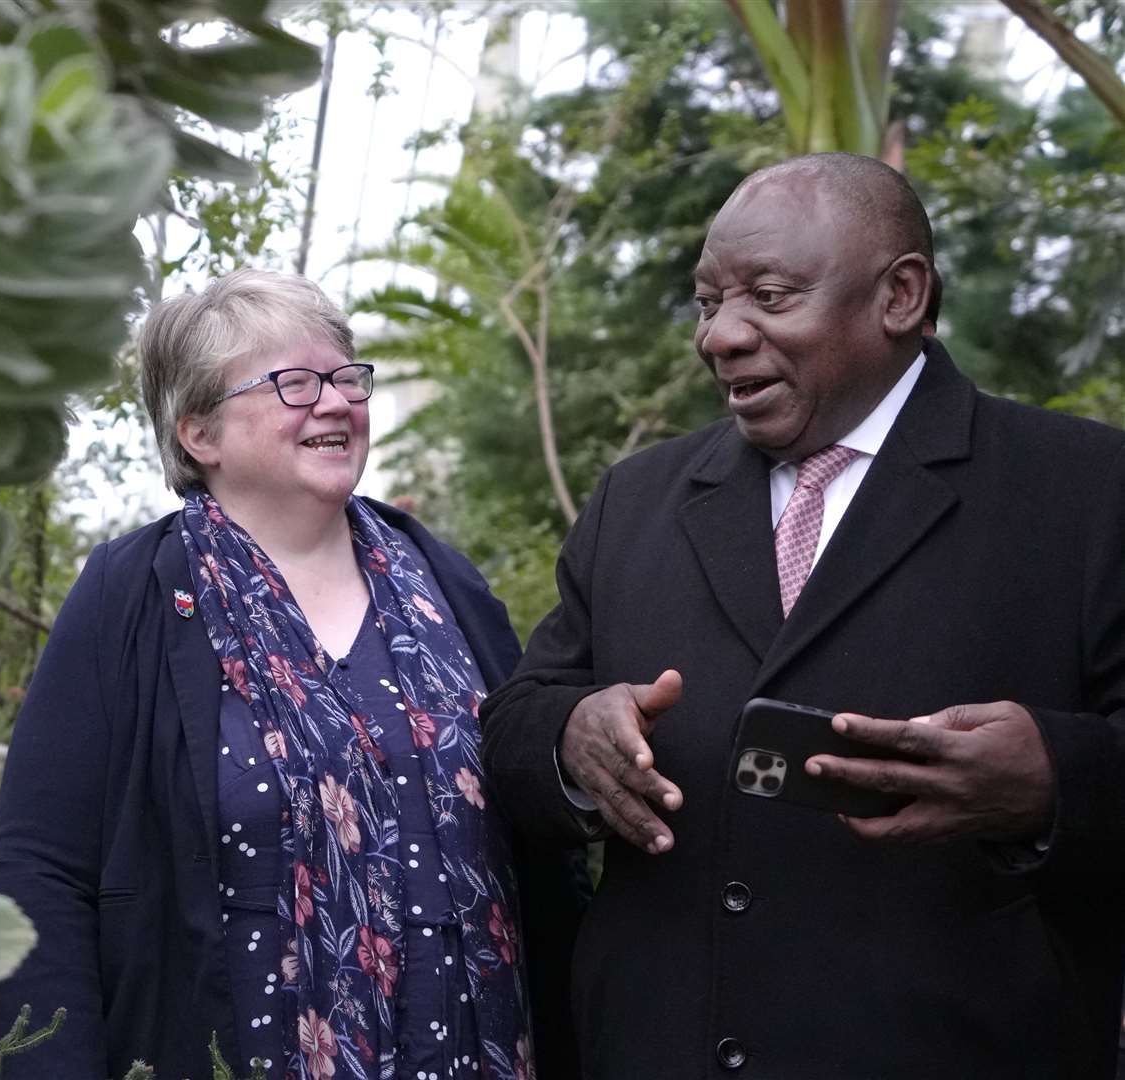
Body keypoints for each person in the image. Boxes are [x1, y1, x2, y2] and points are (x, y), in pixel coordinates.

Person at [480, 153, 1125, 1079]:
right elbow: (518, 714)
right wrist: (570, 741)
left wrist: (1056, 782)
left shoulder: (1087, 490)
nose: (721, 337)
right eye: (708, 305)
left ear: (899, 295)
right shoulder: (640, 496)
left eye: (770, 297)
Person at [0, 270, 569, 1079]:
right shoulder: (130, 596)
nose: (333, 402)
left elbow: (538, 820)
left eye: (344, 377)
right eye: (294, 383)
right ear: (200, 434)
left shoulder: (446, 585)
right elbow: (39, 869)